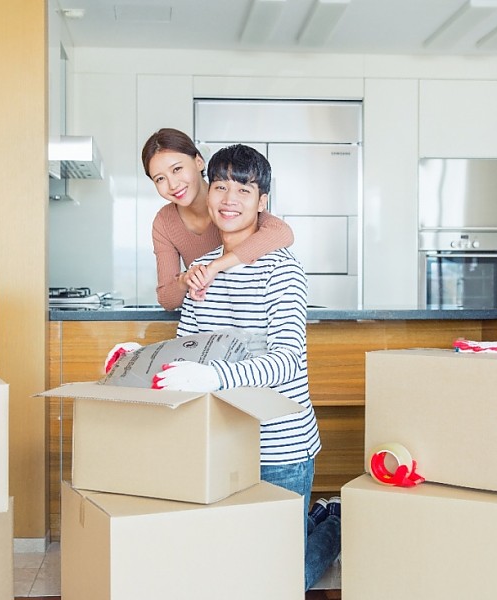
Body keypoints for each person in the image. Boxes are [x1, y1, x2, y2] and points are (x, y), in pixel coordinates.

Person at [150, 144, 341, 592]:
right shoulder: (200, 271)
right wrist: (139, 360)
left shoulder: (284, 270)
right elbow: (187, 350)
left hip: (280, 446)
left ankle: (334, 523)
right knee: (229, 563)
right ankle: (314, 520)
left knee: (277, 580)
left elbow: (287, 359)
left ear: (262, 202)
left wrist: (216, 376)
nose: (229, 199)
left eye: (243, 189)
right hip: (222, 441)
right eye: (220, 187)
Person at [142, 128, 294, 310]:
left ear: (199, 161)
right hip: (208, 310)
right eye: (160, 179)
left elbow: (282, 233)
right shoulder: (164, 221)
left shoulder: (230, 203)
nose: (173, 184)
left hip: (251, 306)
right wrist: (187, 279)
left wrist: (214, 267)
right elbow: (168, 300)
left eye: (177, 169)